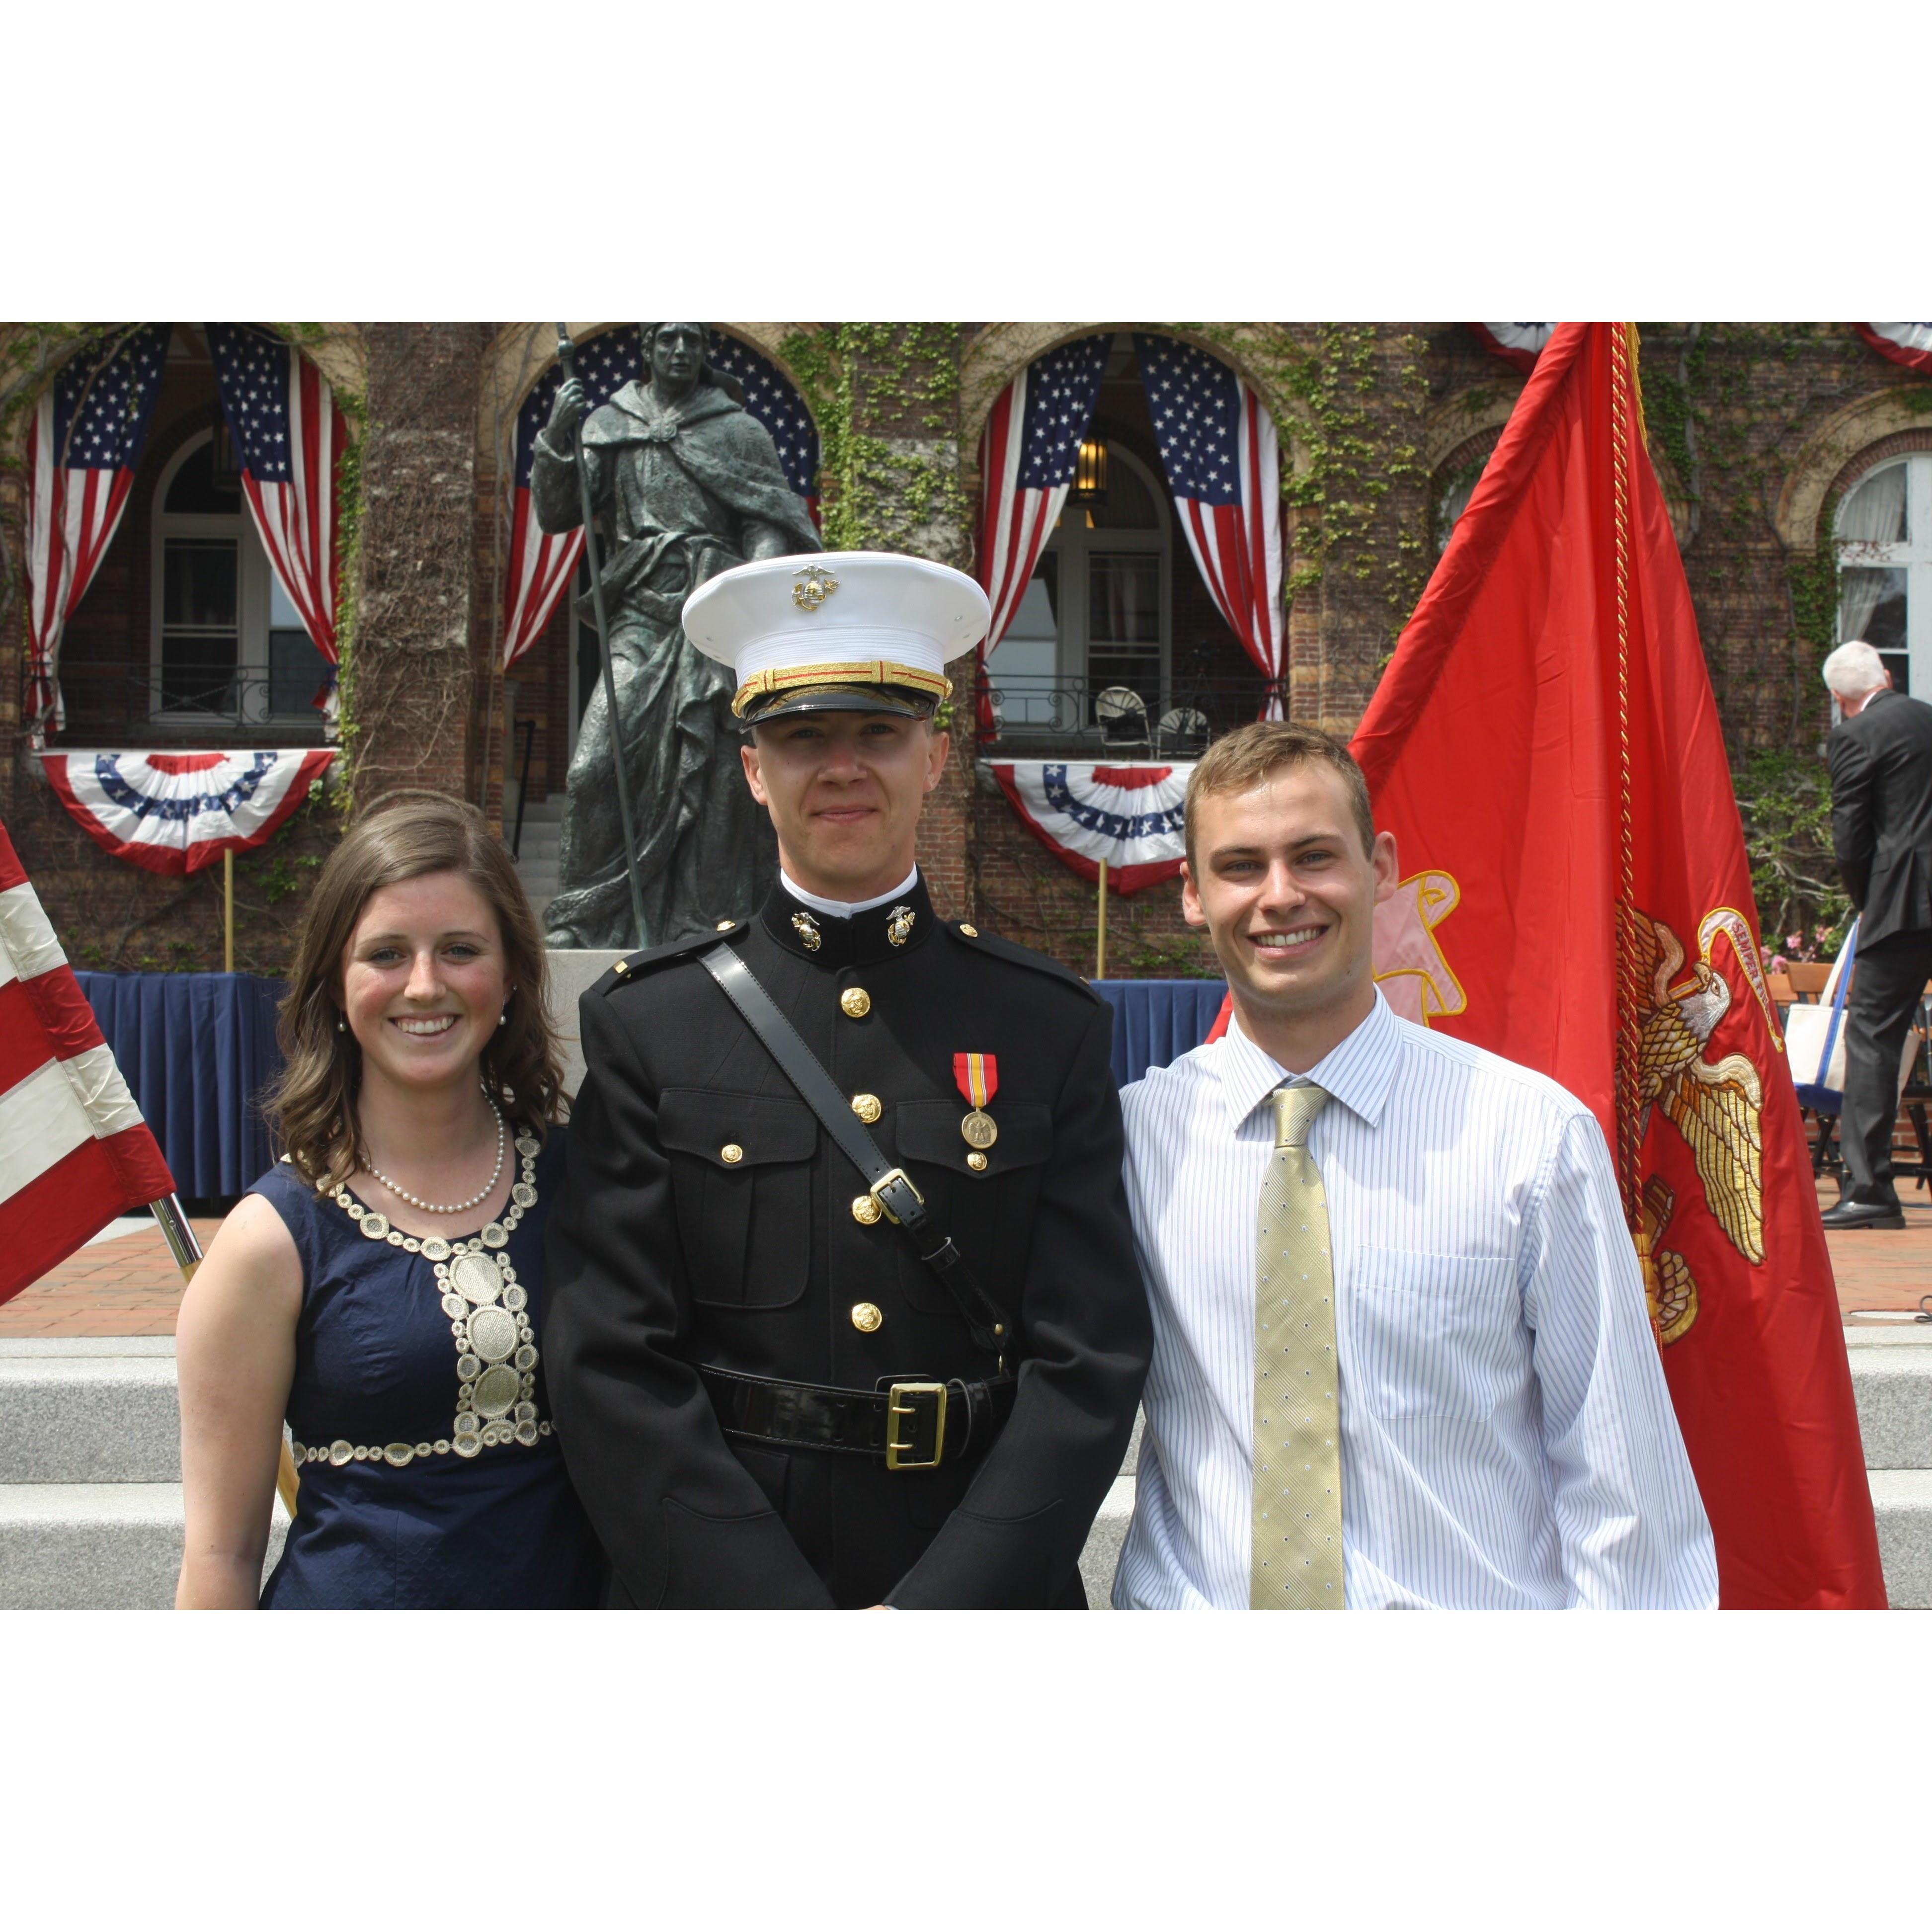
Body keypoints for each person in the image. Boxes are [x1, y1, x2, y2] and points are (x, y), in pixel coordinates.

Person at [544, 551, 1152, 1608]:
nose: (841, 767)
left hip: (978, 1583)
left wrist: (942, 1611)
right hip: (722, 1587)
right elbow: (609, 1361)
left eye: (879, 733)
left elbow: (1087, 1359)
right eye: (802, 737)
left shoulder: (1044, 1026)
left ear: (935, 760)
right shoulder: (652, 1026)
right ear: (751, 771)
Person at [1112, 722, 1718, 1610]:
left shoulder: (1528, 1135)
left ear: (1380, 866)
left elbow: (1622, 1485)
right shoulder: (1132, 1139)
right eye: (1240, 865)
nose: (1279, 895)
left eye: (1313, 856)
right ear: (1192, 895)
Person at [174, 793, 605, 1609]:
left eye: (459, 948)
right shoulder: (270, 1241)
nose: (423, 984)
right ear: (336, 985)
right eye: (384, 954)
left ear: (510, 972)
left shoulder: (589, 1180)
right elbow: (222, 1554)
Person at [532, 322, 822, 948]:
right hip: (639, 615)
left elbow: (771, 524)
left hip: (714, 621)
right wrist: (560, 432)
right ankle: (586, 916)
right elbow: (557, 511)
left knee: (719, 777)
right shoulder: (613, 424)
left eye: (692, 338)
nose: (681, 351)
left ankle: (708, 919)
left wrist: (739, 595)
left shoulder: (739, 431)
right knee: (593, 766)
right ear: (648, 348)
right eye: (668, 338)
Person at [1819, 640, 1932, 1230]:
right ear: (1886, 676)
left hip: (1904, 903)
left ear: (1840, 700)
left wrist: (1869, 904)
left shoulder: (1853, 737)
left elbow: (1851, 838)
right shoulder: (1926, 717)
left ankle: (1870, 1190)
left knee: (1871, 1037)